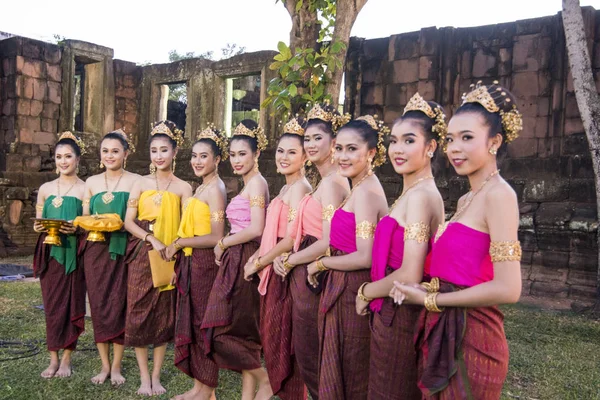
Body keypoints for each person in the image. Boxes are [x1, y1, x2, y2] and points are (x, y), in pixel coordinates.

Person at [391, 81, 523, 399]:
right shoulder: (466, 200)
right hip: (444, 330)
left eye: (467, 138)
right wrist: (426, 288)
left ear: (495, 142)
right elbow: (460, 272)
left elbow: (509, 288)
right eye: (450, 139)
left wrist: (431, 300)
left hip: (475, 339)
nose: (454, 149)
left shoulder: (500, 196)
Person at [355, 94, 446, 400]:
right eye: (394, 141)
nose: (398, 149)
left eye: (409, 141)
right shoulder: (409, 193)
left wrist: (366, 291)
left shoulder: (422, 196)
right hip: (389, 308)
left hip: (402, 311)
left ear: (430, 147)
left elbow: (410, 271)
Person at [307, 116, 388, 400]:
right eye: (339, 148)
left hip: (353, 287)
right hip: (341, 286)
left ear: (371, 153)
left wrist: (321, 263)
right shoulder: (358, 186)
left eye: (351, 149)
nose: (342, 156)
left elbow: (365, 256)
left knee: (351, 369)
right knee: (338, 364)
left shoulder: (366, 192)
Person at [273, 103, 350, 399]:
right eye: (307, 139)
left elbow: (328, 241)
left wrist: (292, 259)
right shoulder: (323, 181)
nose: (311, 144)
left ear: (333, 142)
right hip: (305, 269)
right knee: (307, 352)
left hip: (316, 274)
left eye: (319, 138)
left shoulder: (332, 184)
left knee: (314, 353)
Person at [201, 120, 272, 400]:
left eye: (243, 154)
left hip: (245, 258)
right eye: (233, 154)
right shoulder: (249, 184)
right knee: (242, 331)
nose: (237, 160)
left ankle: (264, 379)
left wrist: (223, 242)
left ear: (256, 155)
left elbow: (257, 228)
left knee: (221, 329)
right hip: (236, 256)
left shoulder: (257, 183)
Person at [243, 117, 312, 400]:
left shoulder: (301, 189)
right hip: (272, 273)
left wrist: (259, 262)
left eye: (292, 152)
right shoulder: (285, 188)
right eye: (280, 150)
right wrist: (257, 259)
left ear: (305, 156)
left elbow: (289, 238)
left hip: (284, 275)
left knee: (281, 346)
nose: (284, 157)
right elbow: (273, 234)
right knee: (269, 343)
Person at [124, 120, 192, 396]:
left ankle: (156, 376)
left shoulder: (184, 188)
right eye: (154, 150)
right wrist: (150, 237)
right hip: (143, 252)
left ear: (175, 152)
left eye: (164, 149)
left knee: (164, 315)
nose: (159, 156)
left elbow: (187, 227)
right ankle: (143, 377)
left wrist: (174, 249)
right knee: (138, 312)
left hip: (169, 255)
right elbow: (128, 221)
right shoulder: (140, 183)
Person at [169, 125, 228, 400]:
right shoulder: (201, 186)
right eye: (194, 155)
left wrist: (180, 243)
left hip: (205, 264)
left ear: (217, 159)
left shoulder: (215, 188)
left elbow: (216, 236)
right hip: (192, 263)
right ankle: (198, 387)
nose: (197, 161)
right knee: (192, 322)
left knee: (203, 325)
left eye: (204, 156)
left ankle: (207, 389)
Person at [81, 129, 139, 386]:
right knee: (98, 304)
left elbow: (138, 217)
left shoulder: (136, 181)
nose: (109, 155)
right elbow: (84, 217)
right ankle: (104, 365)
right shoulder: (91, 182)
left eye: (115, 151)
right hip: (95, 251)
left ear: (126, 153)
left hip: (123, 248)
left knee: (119, 305)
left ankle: (116, 366)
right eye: (105, 151)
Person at [33, 131, 86, 379]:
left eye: (68, 156)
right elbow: (38, 221)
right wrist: (39, 227)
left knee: (71, 304)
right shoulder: (45, 188)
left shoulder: (85, 189)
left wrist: (76, 226)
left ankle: (67, 359)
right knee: (53, 307)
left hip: (74, 252)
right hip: (51, 251)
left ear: (77, 160)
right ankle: (53, 358)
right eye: (58, 157)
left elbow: (86, 222)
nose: (63, 161)